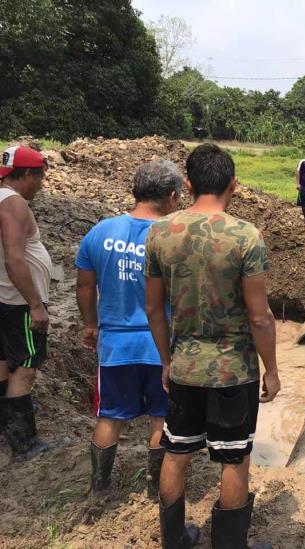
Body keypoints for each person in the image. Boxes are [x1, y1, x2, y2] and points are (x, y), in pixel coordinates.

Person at [145, 144, 280, 548]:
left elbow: (154, 308)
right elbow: (260, 316)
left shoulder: (160, 232)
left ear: (187, 184)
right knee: (234, 457)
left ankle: (174, 540)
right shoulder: (246, 236)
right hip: (234, 372)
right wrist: (271, 369)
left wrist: (167, 361)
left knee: (176, 451)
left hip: (185, 365)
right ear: (233, 184)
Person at [75, 160, 182, 496]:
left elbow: (84, 286)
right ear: (170, 196)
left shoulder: (100, 232)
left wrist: (91, 324)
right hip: (160, 348)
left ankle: (100, 487)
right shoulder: (173, 238)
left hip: (115, 347)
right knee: (160, 418)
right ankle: (156, 488)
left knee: (109, 417)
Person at [0, 146, 51, 461]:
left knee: (3, 363)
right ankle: (24, 444)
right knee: (26, 368)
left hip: (2, 298)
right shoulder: (14, 204)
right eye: (41, 176)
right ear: (28, 174)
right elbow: (14, 258)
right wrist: (35, 304)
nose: (42, 184)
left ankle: (5, 430)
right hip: (18, 302)